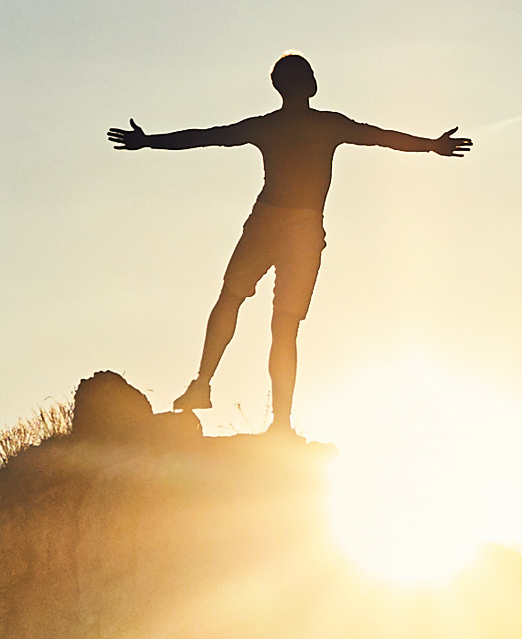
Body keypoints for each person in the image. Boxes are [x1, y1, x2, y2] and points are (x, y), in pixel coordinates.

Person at [104, 55, 471, 432]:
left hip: (271, 222)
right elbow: (381, 138)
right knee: (283, 326)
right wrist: (431, 145)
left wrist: (149, 142)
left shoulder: (271, 126)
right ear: (308, 85)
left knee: (232, 298)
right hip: (298, 227)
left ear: (279, 87)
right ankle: (277, 420)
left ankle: (204, 385)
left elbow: (206, 136)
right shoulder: (326, 125)